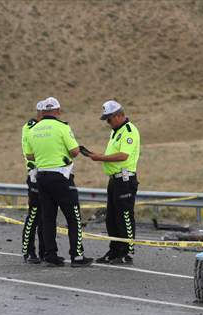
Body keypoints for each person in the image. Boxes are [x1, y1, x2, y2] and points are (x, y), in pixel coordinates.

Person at [23, 97, 93, 267]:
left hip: (41, 178)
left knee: (48, 218)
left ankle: (50, 255)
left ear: (43, 112)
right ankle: (77, 256)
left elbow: (30, 155)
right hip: (61, 177)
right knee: (73, 217)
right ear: (57, 111)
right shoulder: (63, 127)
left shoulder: (33, 129)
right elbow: (75, 151)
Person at [87, 100, 140, 264]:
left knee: (124, 216)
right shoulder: (115, 132)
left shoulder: (129, 131)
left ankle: (127, 252)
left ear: (118, 115)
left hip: (125, 179)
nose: (108, 123)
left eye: (109, 119)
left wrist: (100, 157)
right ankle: (115, 250)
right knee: (111, 218)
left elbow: (123, 156)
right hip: (114, 180)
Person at [20, 100, 45, 264]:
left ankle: (45, 250)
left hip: (48, 174)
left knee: (46, 215)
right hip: (35, 174)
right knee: (34, 214)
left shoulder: (50, 127)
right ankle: (28, 250)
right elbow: (31, 152)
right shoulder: (30, 127)